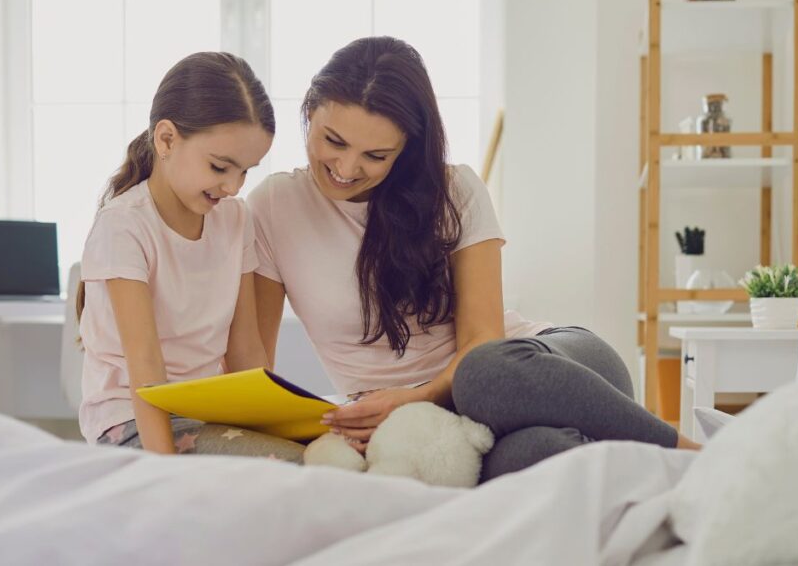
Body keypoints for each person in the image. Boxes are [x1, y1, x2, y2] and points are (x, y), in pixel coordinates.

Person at [248, 37, 697, 482]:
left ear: (406, 147)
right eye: (334, 141)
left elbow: (483, 341)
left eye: (375, 155)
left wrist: (416, 397)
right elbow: (257, 367)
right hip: (462, 427)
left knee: (482, 374)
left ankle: (691, 454)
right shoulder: (273, 206)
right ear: (309, 111)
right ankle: (623, 465)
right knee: (539, 455)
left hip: (542, 370)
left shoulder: (454, 191)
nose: (346, 167)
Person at [76, 51, 303, 461]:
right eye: (220, 167)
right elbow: (146, 366)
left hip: (206, 415)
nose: (233, 186)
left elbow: (246, 351)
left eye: (246, 171)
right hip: (132, 420)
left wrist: (288, 428)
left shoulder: (235, 220)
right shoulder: (124, 225)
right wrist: (164, 473)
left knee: (329, 457)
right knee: (290, 468)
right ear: (166, 139)